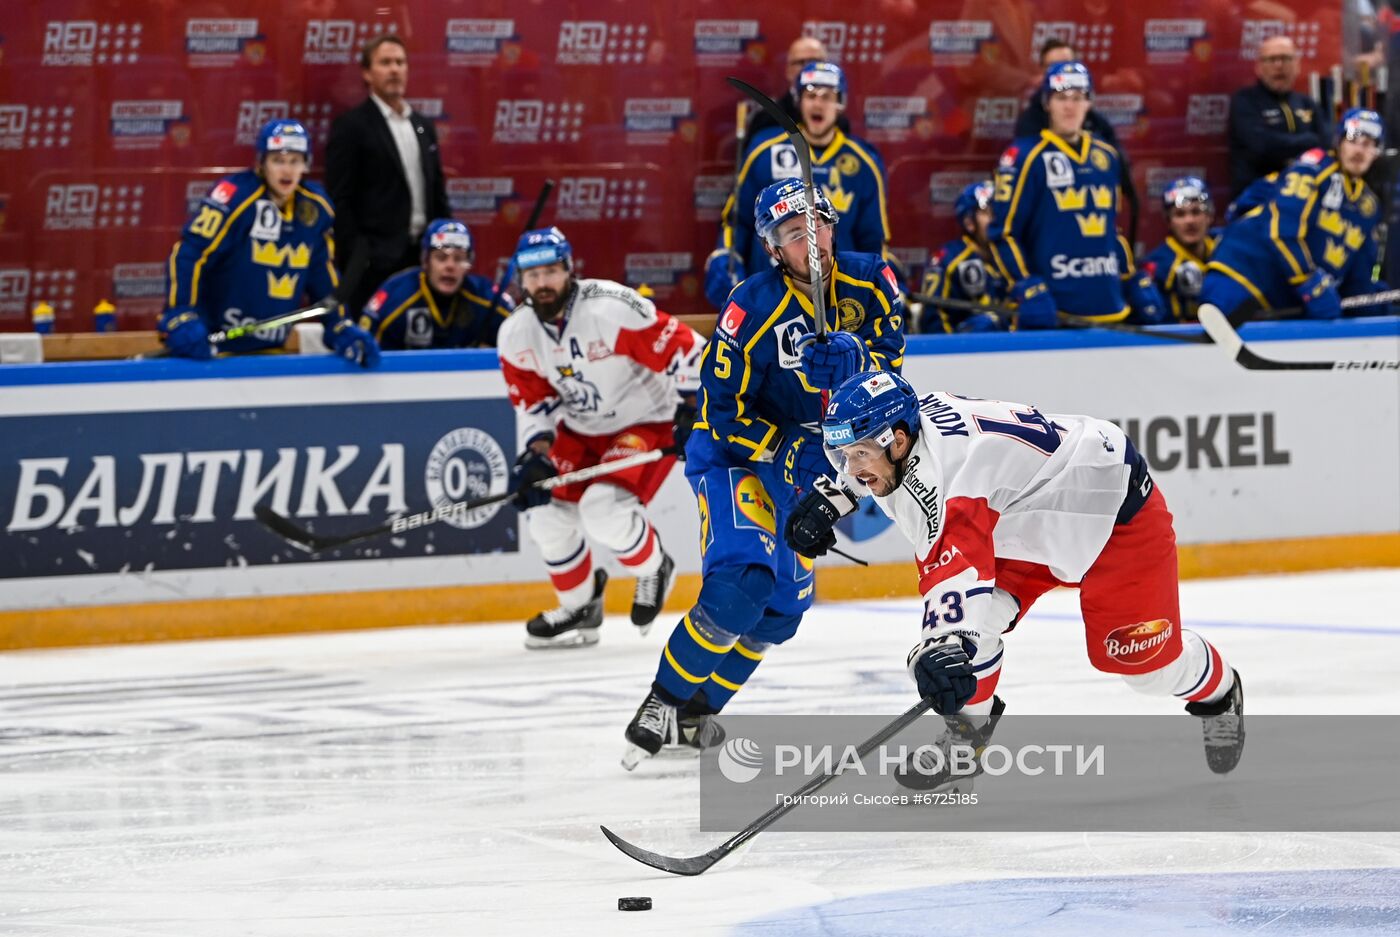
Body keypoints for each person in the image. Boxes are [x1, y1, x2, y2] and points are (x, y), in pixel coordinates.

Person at [785, 370, 1246, 789]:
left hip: (1110, 516)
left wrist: (940, 650)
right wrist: (832, 497)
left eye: (858, 456)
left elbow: (956, 575)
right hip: (1020, 517)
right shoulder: (908, 431)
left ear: (899, 441)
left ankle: (1220, 691)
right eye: (843, 456)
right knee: (974, 629)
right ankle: (968, 737)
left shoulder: (952, 483)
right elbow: (873, 459)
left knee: (1141, 667)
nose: (852, 469)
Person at [622, 178, 907, 770]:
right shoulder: (750, 306)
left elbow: (892, 375)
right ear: (774, 249)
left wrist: (858, 357)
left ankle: (699, 709)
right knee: (742, 586)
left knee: (781, 611)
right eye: (793, 234)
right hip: (738, 457)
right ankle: (662, 700)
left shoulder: (874, 282)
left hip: (809, 462)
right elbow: (721, 411)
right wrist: (784, 448)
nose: (812, 241)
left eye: (817, 226)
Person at [496, 227, 704, 650]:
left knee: (602, 510)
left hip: (645, 421)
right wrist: (535, 454)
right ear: (520, 279)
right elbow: (534, 404)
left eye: (551, 271)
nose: (542, 283)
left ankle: (653, 567)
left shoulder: (611, 309)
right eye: (532, 275)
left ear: (569, 270)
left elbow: (687, 348)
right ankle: (581, 606)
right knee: (546, 516)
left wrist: (691, 409)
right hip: (580, 430)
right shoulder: (516, 334)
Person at [160, 118, 380, 366]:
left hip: (273, 352)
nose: (287, 171)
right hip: (213, 352)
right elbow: (189, 254)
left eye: (295, 161)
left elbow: (321, 273)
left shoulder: (316, 208)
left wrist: (339, 323)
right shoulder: (234, 197)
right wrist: (181, 313)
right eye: (278, 161)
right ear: (261, 164)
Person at [988, 62, 1165, 328]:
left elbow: (1110, 230)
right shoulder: (1024, 156)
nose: (1069, 106)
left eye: (1077, 98)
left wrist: (1129, 276)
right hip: (1054, 310)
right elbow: (1003, 233)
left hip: (1110, 305)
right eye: (1061, 98)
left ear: (1089, 103)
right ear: (1047, 103)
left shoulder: (1107, 155)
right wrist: (1025, 283)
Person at [704, 61, 891, 311]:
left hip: (837, 301)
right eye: (810, 95)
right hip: (769, 298)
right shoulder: (764, 150)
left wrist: (879, 281)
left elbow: (873, 240)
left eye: (827, 96)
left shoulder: (864, 163)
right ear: (798, 101)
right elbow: (737, 221)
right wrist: (726, 256)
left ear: (840, 104)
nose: (818, 103)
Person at [1202, 108, 1388, 320]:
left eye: (1369, 143)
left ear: (1377, 151)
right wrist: (1309, 283)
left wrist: (1375, 300)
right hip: (1241, 276)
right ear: (1339, 142)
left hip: (1283, 304)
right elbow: (1281, 231)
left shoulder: (1369, 207)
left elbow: (1362, 272)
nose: (1359, 150)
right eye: (1353, 139)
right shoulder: (1312, 170)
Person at [326, 34, 451, 319]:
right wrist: (361, 254)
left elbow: (437, 191)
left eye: (400, 62)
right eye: (385, 63)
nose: (394, 69)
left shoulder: (423, 126)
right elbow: (339, 199)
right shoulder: (351, 126)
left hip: (422, 257)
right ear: (367, 73)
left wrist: (445, 247)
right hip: (373, 264)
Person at [1013, 40, 1140, 243]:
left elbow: (1122, 176)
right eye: (1052, 67)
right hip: (1049, 232)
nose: (1069, 106)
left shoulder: (1098, 125)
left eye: (1068, 64)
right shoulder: (1029, 126)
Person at [360, 219, 513, 349]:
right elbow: (365, 345)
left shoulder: (487, 297)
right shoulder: (397, 295)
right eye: (441, 258)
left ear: (469, 264)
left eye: (459, 258)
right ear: (426, 261)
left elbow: (520, 335)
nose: (450, 266)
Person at [1228, 35, 1328, 200]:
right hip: (1258, 199)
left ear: (1297, 65)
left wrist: (1288, 145)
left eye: (1285, 59)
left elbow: (1326, 142)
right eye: (1271, 59)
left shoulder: (1306, 103)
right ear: (1258, 67)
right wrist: (1309, 141)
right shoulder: (1245, 101)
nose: (1279, 65)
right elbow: (1262, 146)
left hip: (1305, 199)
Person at [918, 180, 1008, 333]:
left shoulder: (1014, 258)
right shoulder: (950, 259)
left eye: (998, 211)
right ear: (969, 222)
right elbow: (932, 319)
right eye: (987, 213)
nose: (996, 219)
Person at [1139, 177, 1220, 322]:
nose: (1189, 221)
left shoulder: (1227, 250)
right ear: (1168, 221)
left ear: (1209, 216)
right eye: (1180, 214)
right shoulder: (1156, 268)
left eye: (1196, 212)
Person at [743, 35, 852, 139]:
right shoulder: (767, 118)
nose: (807, 68)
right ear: (788, 71)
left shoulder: (838, 121)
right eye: (800, 62)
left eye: (814, 62)